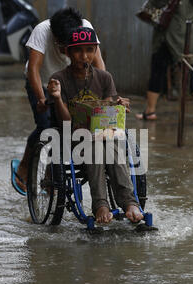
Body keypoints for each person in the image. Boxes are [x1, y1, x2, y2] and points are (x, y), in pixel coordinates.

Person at [47, 26, 143, 224]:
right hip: (74, 140)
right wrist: (56, 98)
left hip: (104, 137)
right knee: (95, 145)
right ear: (68, 52)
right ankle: (100, 204)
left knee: (111, 143)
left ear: (95, 51)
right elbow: (65, 122)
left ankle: (129, 202)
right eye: (78, 50)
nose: (84, 56)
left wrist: (117, 107)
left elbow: (109, 119)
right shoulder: (59, 79)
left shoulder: (104, 78)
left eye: (90, 50)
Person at [11, 8, 105, 195]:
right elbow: (34, 70)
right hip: (43, 82)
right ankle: (24, 166)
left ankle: (52, 173)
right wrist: (41, 98)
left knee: (73, 126)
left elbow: (98, 64)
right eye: (63, 46)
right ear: (54, 36)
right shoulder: (42, 30)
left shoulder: (86, 27)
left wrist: (99, 97)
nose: (65, 52)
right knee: (46, 126)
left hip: (72, 83)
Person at [135, 0, 193, 125]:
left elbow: (156, 3)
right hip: (188, 33)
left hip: (169, 32)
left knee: (158, 71)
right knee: (191, 70)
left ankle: (150, 111)